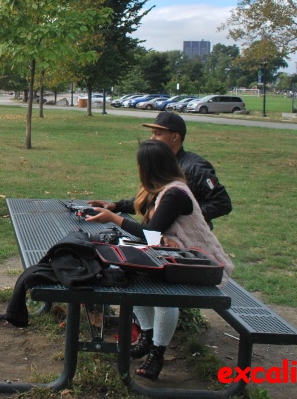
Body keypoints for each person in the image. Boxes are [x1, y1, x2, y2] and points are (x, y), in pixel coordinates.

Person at [86, 140, 234, 381]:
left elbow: (151, 234)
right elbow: (150, 225)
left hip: (202, 266)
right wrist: (117, 207)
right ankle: (147, 334)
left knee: (164, 294)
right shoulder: (163, 189)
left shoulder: (175, 193)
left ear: (149, 167)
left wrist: (114, 218)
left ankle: (157, 352)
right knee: (126, 273)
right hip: (177, 258)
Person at [90, 111, 232, 226]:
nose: (152, 138)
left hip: (185, 240)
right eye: (152, 133)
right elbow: (151, 199)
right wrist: (116, 206)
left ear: (175, 137)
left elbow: (222, 203)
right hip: (159, 235)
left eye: (158, 134)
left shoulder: (195, 167)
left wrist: (181, 217)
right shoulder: (161, 163)